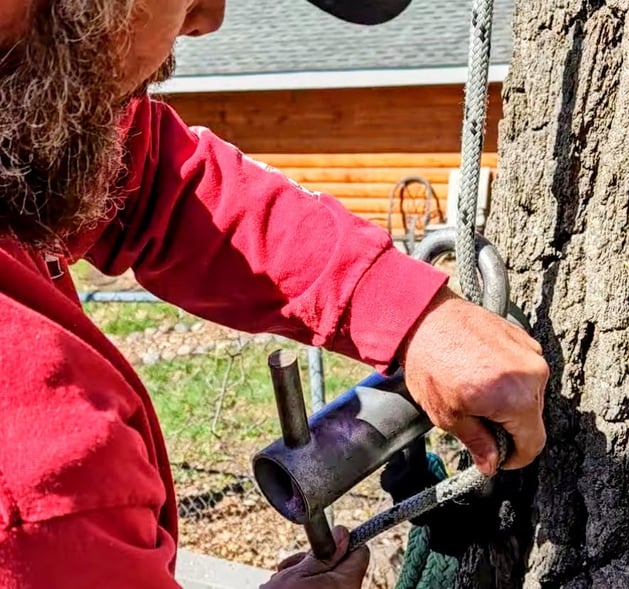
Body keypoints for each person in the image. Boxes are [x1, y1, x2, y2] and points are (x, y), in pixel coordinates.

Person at [0, 0, 549, 587]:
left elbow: (156, 181)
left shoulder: (27, 113)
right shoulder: (43, 479)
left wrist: (408, 311)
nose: (208, 16)